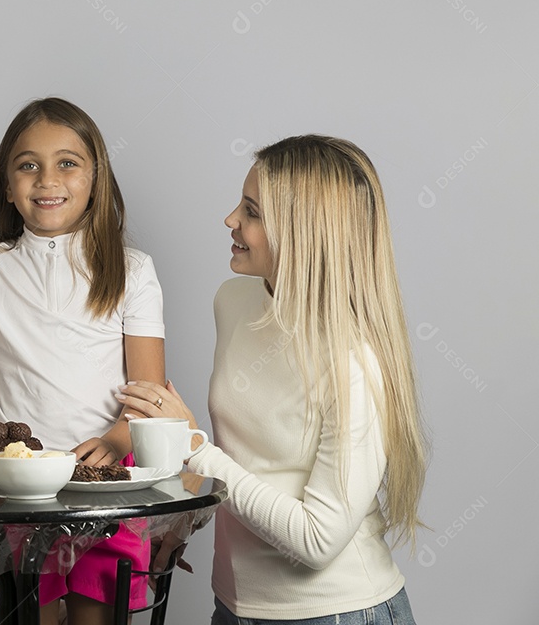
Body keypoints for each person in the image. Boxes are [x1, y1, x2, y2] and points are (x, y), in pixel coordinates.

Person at [119, 135, 425, 624]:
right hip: (235, 606)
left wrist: (191, 444)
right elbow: (249, 458)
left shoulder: (352, 365)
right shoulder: (234, 301)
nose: (230, 220)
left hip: (335, 612)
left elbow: (318, 540)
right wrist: (185, 518)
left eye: (252, 212)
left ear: (304, 232)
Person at [0, 97, 166, 625]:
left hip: (103, 482)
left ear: (96, 178)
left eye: (68, 163)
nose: (48, 179)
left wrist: (114, 441)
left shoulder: (132, 269)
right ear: (6, 185)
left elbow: (148, 390)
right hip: (15, 483)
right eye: (28, 165)